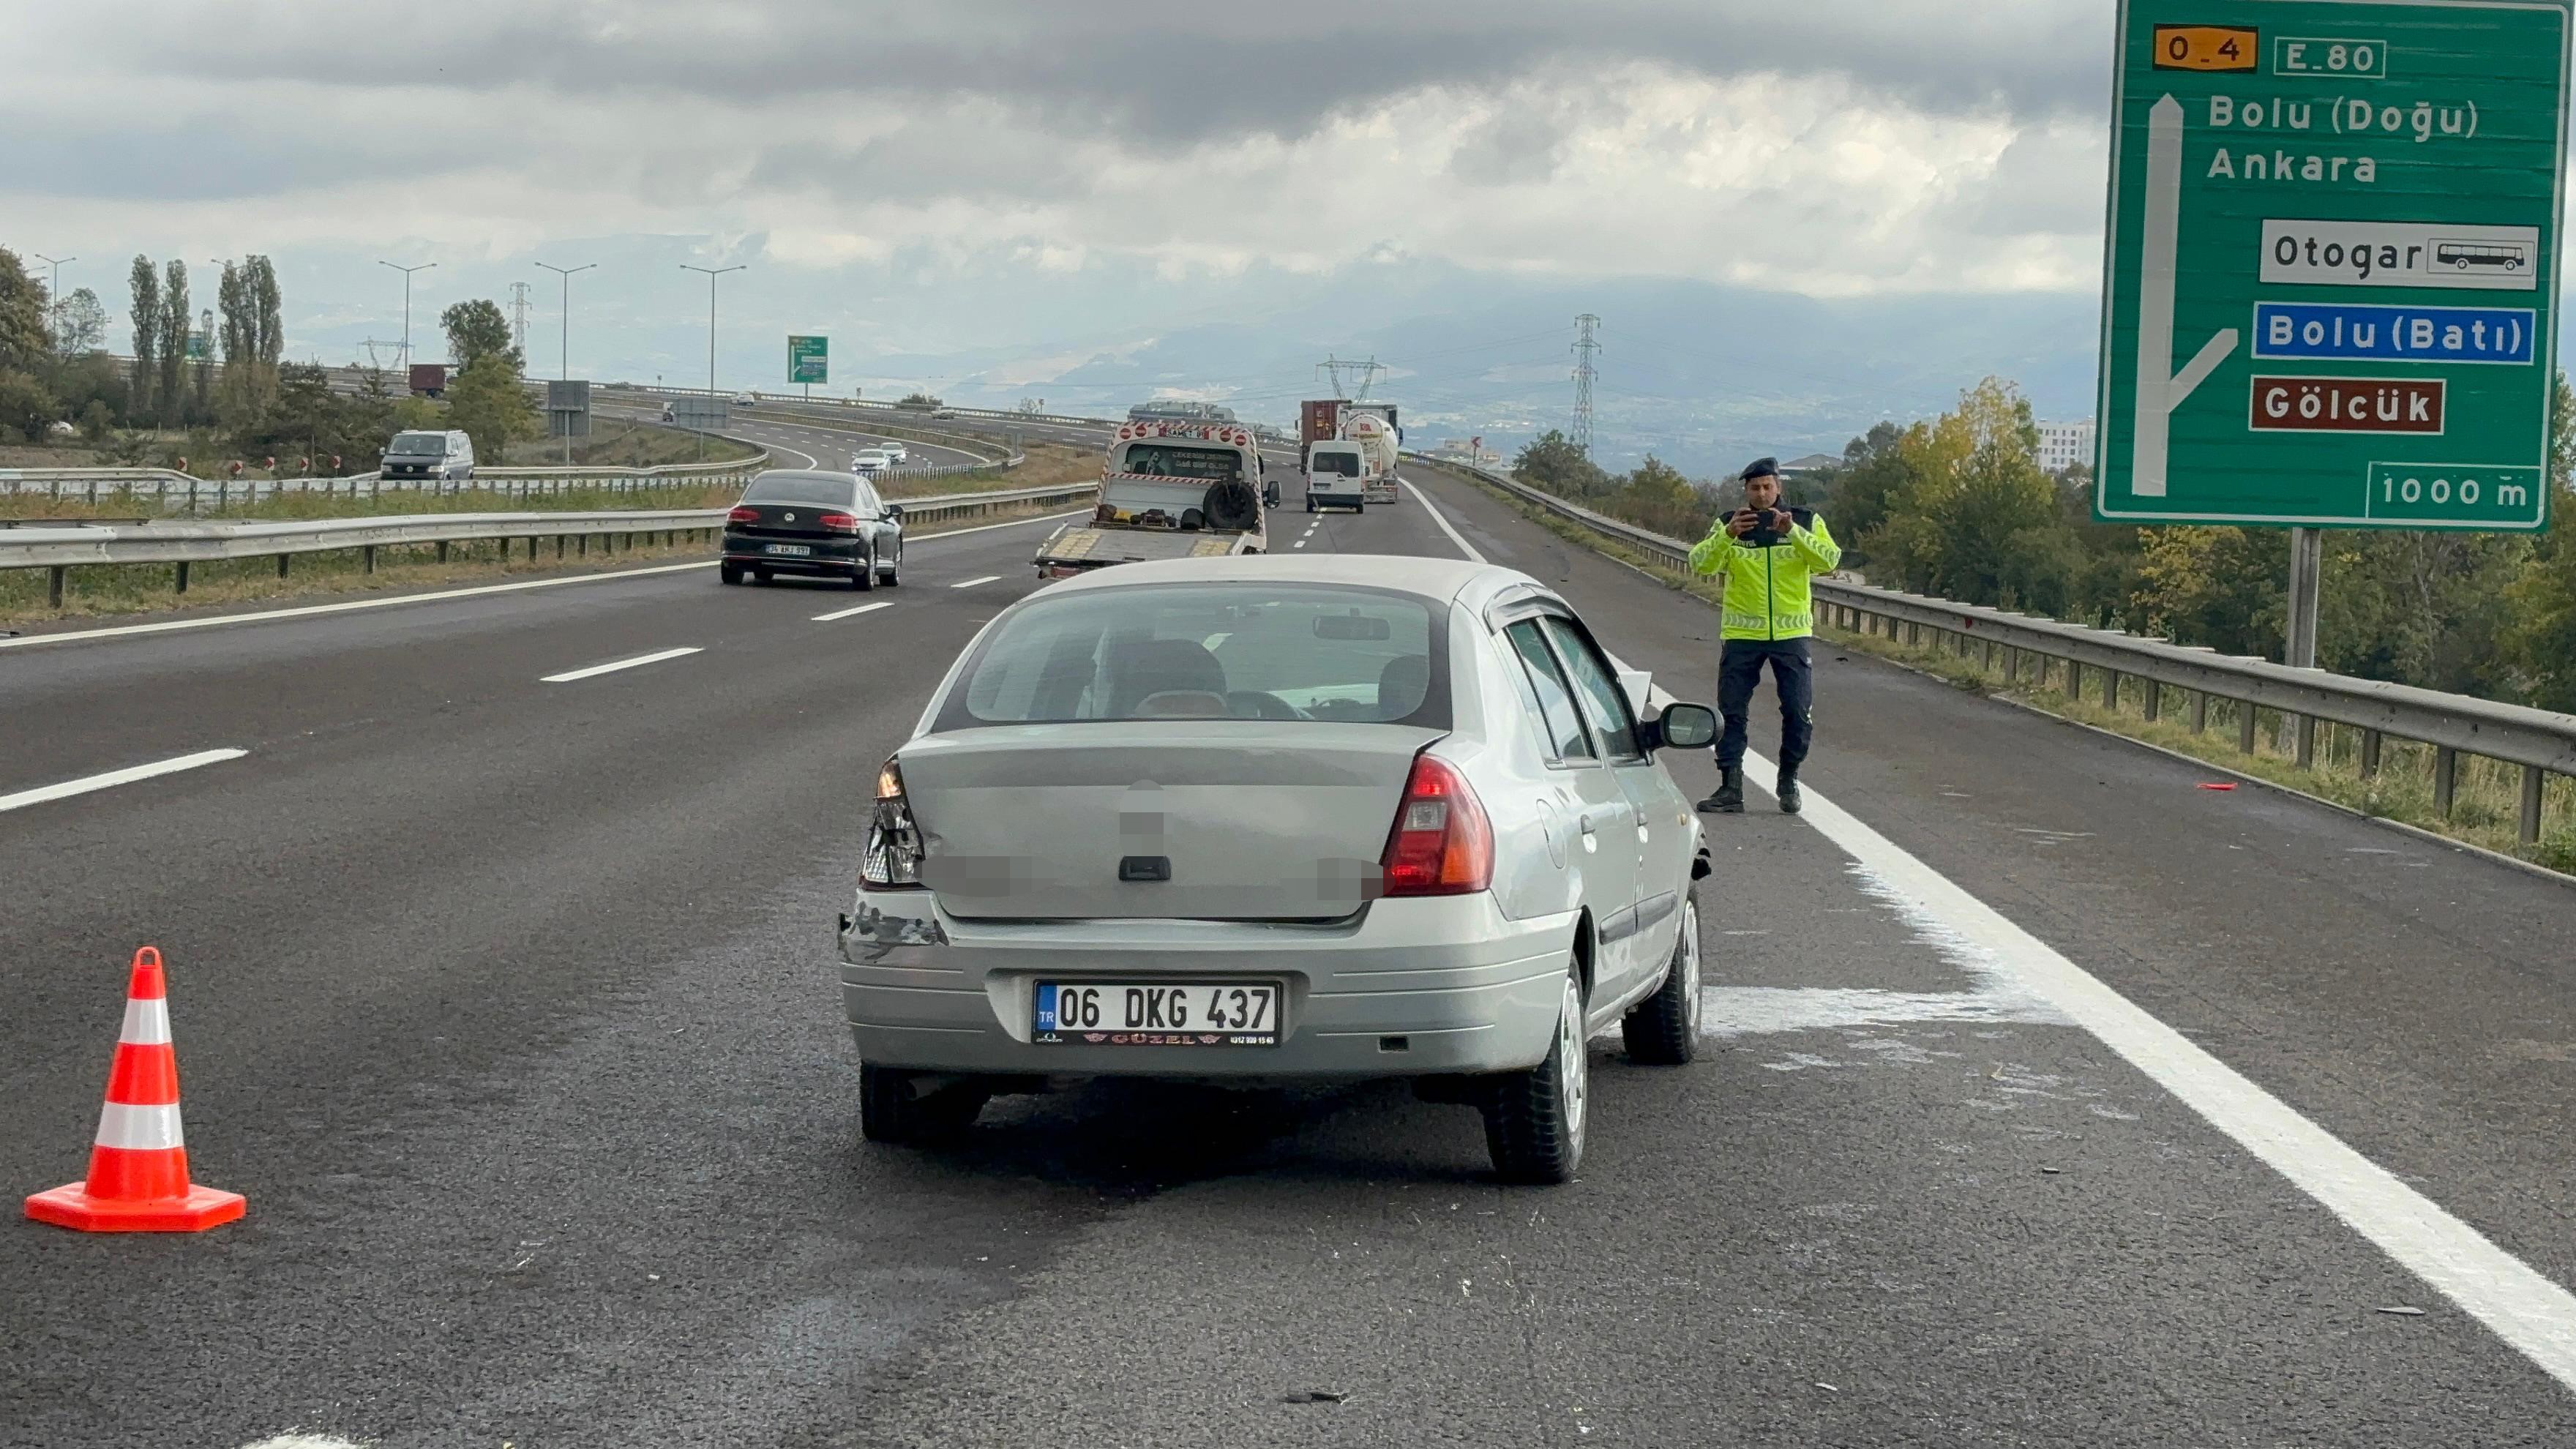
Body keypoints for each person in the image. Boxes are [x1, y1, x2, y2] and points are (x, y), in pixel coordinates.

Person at [1686, 457, 1841, 815]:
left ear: (1778, 488)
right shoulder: (1730, 523)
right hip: (1742, 634)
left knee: (1798, 711)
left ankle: (1788, 778)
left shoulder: (1805, 520)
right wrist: (1727, 536)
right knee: (1732, 712)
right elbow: (1700, 563)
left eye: (1767, 487)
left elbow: (1829, 561)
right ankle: (1731, 787)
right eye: (1754, 488)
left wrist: (1793, 534)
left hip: (1791, 634)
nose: (1762, 493)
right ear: (1746, 491)